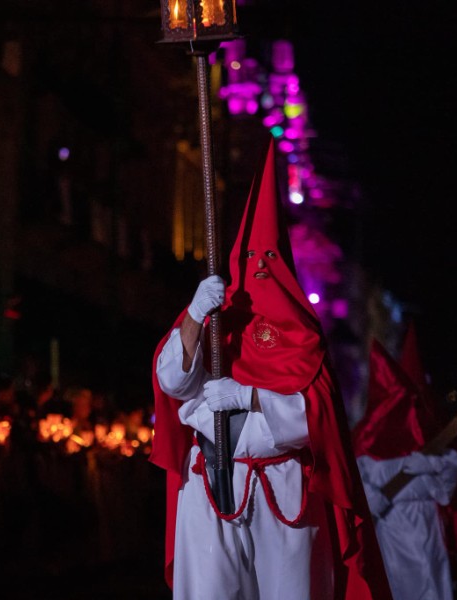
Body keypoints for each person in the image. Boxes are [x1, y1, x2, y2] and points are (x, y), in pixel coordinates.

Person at [150, 139, 391, 599]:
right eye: (247, 262)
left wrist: (250, 397)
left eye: (267, 263)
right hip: (209, 480)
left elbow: (315, 420)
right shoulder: (212, 318)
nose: (256, 271)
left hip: (283, 490)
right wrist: (196, 316)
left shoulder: (303, 336)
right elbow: (171, 381)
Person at [353, 339, 457, 600]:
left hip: (428, 526)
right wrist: (386, 493)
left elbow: (446, 491)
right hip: (395, 530)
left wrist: (431, 464)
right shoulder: (366, 452)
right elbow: (363, 502)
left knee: (434, 582)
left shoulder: (427, 445)